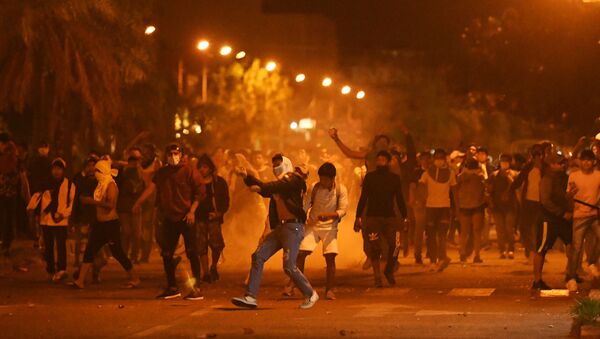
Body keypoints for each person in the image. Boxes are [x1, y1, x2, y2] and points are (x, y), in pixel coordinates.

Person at [231, 154, 319, 310]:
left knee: (289, 266)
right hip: (280, 228)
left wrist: (259, 186)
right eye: (273, 165)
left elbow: (267, 187)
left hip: (293, 228)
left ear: (288, 165)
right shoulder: (280, 185)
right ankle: (250, 297)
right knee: (258, 256)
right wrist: (247, 177)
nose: (275, 167)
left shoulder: (293, 180)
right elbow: (266, 188)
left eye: (278, 164)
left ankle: (310, 293)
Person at [133, 143, 204, 300]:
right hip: (169, 218)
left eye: (175, 153)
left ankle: (197, 287)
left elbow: (199, 193)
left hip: (186, 217)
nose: (173, 157)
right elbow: (151, 188)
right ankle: (172, 286)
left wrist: (192, 211)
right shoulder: (162, 173)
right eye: (170, 154)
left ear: (181, 154)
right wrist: (138, 203)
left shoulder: (190, 171)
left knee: (192, 252)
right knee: (166, 253)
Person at [70, 160, 140, 289]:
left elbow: (110, 206)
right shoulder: (101, 185)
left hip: (110, 224)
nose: (95, 173)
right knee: (89, 251)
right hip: (100, 224)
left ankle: (135, 278)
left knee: (118, 252)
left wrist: (91, 202)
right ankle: (80, 280)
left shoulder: (111, 185)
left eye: (98, 171)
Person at [284, 162, 348, 299]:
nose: (322, 181)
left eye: (325, 179)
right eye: (321, 178)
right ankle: (295, 285)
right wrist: (300, 219)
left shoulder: (341, 190)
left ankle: (329, 290)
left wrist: (329, 216)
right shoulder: (314, 188)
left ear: (332, 178)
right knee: (301, 254)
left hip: (330, 227)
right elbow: (306, 205)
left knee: (330, 257)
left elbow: (343, 210)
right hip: (312, 225)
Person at [355, 151, 407, 286]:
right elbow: (363, 197)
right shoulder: (370, 177)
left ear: (388, 162)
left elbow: (400, 199)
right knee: (375, 248)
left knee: (396, 245)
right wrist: (358, 216)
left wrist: (405, 216)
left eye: (383, 160)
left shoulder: (394, 178)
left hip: (390, 217)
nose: (380, 162)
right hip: (373, 218)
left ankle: (388, 270)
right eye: (378, 160)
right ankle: (377, 276)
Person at [29, 158, 75, 281]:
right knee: (48, 246)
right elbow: (36, 198)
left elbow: (71, 203)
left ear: (63, 170)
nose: (56, 171)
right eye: (54, 168)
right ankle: (50, 270)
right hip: (46, 219)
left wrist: (63, 214)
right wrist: (31, 208)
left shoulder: (69, 185)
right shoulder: (44, 184)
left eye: (59, 168)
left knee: (61, 246)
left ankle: (61, 269)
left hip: (61, 220)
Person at [532, 153, 572, 290]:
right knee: (541, 249)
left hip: (562, 219)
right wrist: (561, 213)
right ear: (551, 165)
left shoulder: (562, 178)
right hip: (548, 219)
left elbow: (563, 197)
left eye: (562, 163)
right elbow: (546, 201)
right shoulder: (547, 179)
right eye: (558, 163)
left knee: (572, 244)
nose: (562, 165)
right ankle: (537, 281)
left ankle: (571, 274)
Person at [566, 150, 600, 292]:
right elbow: (568, 196)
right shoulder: (574, 176)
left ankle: (591, 262)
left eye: (589, 160)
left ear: (594, 162)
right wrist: (569, 197)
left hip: (594, 215)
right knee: (577, 248)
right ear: (579, 162)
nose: (586, 163)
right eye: (583, 160)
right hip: (579, 216)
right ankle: (571, 278)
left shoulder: (598, 176)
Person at [419, 149, 457, 272]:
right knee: (430, 236)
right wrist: (422, 200)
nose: (439, 160)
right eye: (437, 158)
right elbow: (421, 187)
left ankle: (441, 259)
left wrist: (457, 208)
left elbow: (455, 192)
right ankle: (433, 261)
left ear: (445, 159)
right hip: (430, 208)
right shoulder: (426, 173)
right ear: (433, 159)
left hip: (444, 208)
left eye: (441, 158)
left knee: (441, 236)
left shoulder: (450, 174)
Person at [196, 154, 230, 283]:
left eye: (205, 167)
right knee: (201, 245)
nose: (202, 170)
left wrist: (219, 213)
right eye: (200, 167)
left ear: (210, 168)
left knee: (216, 245)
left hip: (213, 218)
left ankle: (213, 266)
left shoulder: (219, 182)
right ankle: (205, 273)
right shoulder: (195, 182)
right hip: (199, 218)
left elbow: (226, 200)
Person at [512, 144, 546, 260]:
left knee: (538, 229)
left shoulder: (546, 168)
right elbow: (518, 181)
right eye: (535, 155)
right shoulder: (528, 167)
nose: (537, 157)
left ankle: (538, 252)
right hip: (528, 201)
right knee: (525, 228)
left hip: (541, 203)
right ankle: (530, 251)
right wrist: (511, 189)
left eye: (539, 155)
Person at [456, 158, 487, 263]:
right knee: (477, 232)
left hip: (464, 206)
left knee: (464, 232)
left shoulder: (461, 177)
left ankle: (463, 254)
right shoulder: (480, 177)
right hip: (477, 206)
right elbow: (485, 189)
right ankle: (476, 255)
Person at [488, 154, 518, 259]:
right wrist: (490, 202)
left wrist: (509, 177)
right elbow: (489, 190)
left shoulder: (515, 174)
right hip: (497, 206)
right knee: (500, 230)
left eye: (506, 161)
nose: (504, 163)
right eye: (502, 161)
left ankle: (510, 249)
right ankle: (502, 250)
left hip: (511, 206)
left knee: (509, 229)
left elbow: (516, 187)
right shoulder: (494, 175)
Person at [117, 154, 145, 263]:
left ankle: (133, 257)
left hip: (136, 206)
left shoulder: (140, 173)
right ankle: (125, 256)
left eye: (136, 161)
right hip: (125, 206)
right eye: (133, 161)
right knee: (126, 232)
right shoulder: (124, 173)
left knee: (136, 234)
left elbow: (143, 187)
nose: (135, 163)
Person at [409, 151, 431, 264]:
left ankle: (431, 252)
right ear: (420, 160)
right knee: (419, 229)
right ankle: (418, 254)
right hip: (420, 204)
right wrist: (413, 200)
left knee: (432, 229)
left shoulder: (434, 172)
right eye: (424, 159)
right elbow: (412, 187)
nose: (426, 161)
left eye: (428, 159)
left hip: (432, 204)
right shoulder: (417, 173)